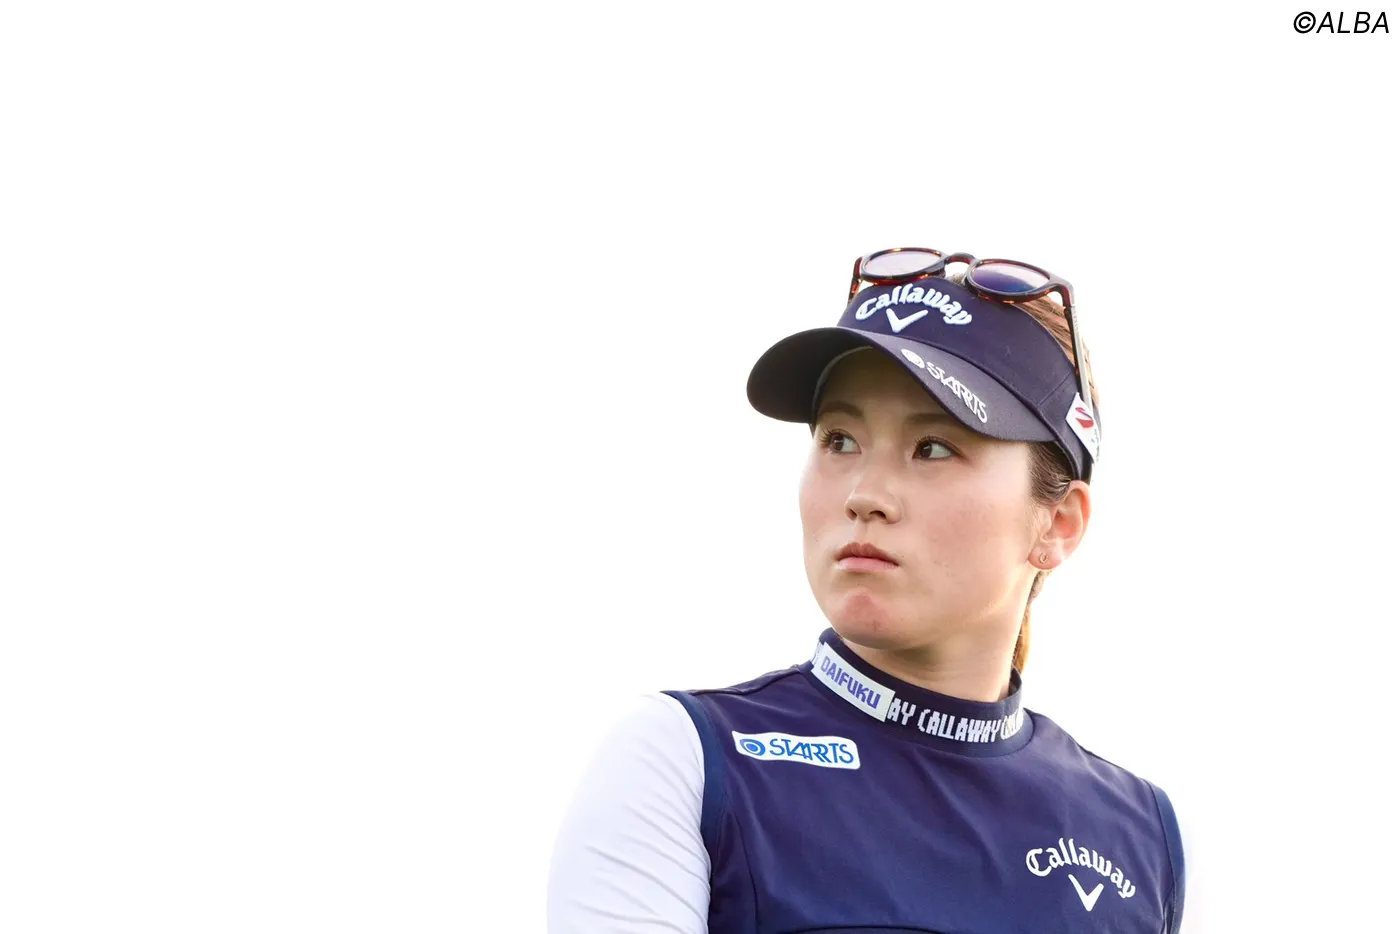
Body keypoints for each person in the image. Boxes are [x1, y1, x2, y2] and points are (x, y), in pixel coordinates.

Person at [546, 247, 1186, 933]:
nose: (865, 494)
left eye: (933, 447)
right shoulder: (685, 761)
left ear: (1058, 523)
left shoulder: (1146, 840)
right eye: (840, 440)